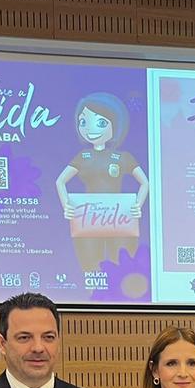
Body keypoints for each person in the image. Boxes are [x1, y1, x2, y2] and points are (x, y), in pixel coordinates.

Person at [56, 91, 149, 275]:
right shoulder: (83, 157)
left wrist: (138, 205)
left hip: (119, 217)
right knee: (91, 265)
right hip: (88, 218)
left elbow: (145, 182)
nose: (91, 129)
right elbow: (60, 181)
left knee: (121, 264)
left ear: (116, 125)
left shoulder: (123, 157)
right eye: (83, 122)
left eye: (100, 122)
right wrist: (67, 206)